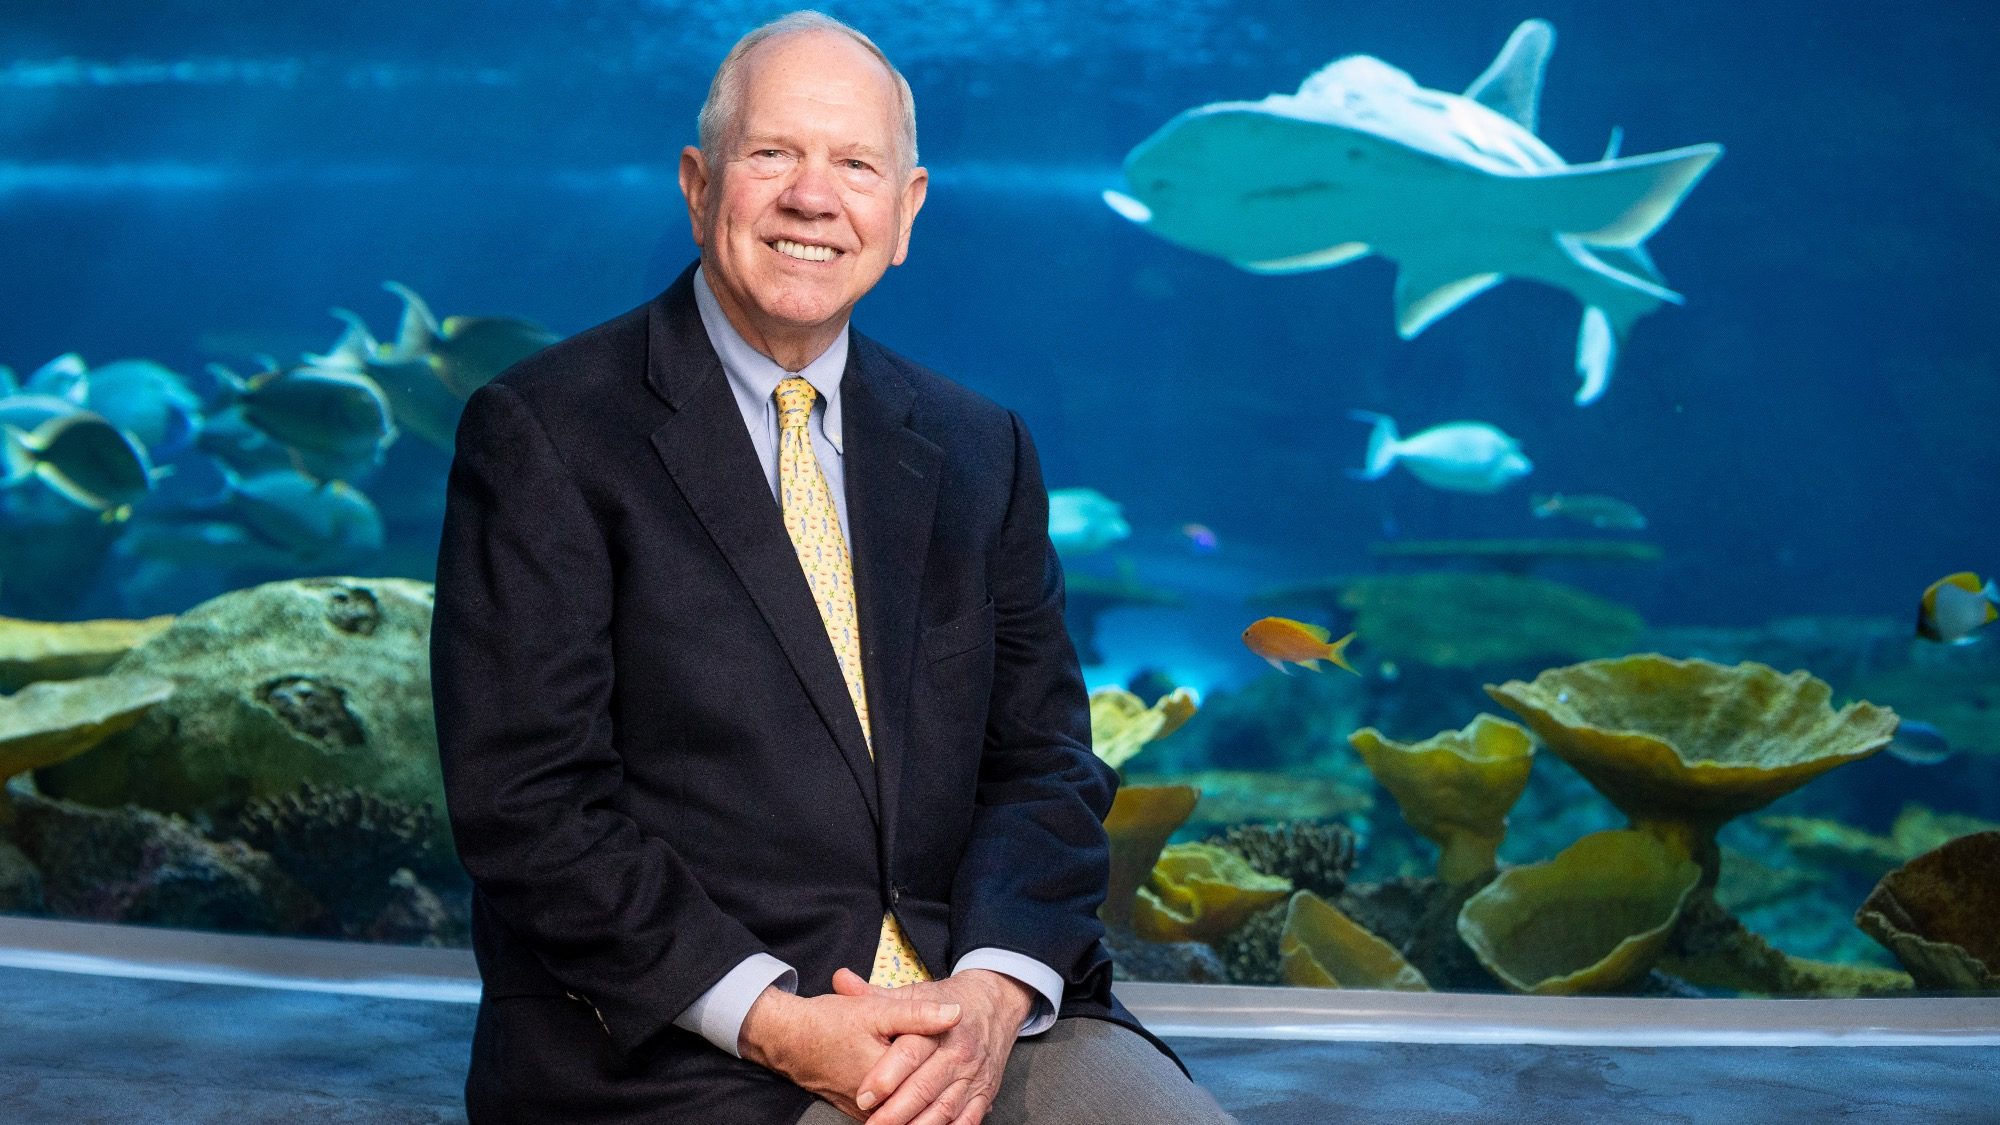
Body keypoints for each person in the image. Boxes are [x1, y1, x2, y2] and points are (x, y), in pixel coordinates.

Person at [432, 11, 1233, 1124]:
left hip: (978, 1011)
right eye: (773, 155)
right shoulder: (545, 433)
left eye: (856, 164)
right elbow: (527, 806)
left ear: (904, 213)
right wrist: (777, 1022)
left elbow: (1045, 769)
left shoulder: (979, 449)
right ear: (697, 183)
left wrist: (997, 991)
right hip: (692, 1042)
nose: (814, 198)